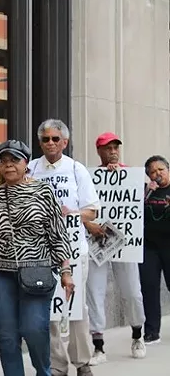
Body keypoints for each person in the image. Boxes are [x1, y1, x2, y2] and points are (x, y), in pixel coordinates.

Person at [0, 140, 73, 376]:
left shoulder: (43, 192)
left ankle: (44, 371)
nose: (9, 165)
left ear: (26, 163)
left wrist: (65, 271)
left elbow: (58, 234)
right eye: (4, 161)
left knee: (34, 329)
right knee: (7, 335)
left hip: (37, 272)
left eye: (15, 160)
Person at [27, 119, 98, 376]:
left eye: (55, 139)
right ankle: (57, 365)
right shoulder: (31, 169)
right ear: (40, 143)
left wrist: (73, 215)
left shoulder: (76, 169)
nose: (50, 143)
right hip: (40, 252)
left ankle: (82, 362)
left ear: (65, 142)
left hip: (74, 250)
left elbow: (91, 211)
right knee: (48, 310)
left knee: (76, 307)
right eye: (46, 139)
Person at [85, 132, 146, 364]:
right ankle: (98, 346)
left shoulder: (129, 173)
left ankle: (137, 334)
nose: (112, 151)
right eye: (107, 148)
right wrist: (90, 224)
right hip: (97, 241)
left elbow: (138, 202)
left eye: (115, 147)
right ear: (98, 151)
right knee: (95, 292)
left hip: (125, 242)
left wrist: (128, 178)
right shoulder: (89, 177)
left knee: (132, 291)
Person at [140, 155, 170, 345]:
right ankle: (151, 331)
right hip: (149, 246)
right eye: (152, 172)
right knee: (149, 287)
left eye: (161, 169)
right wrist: (145, 194)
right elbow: (131, 211)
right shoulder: (145, 191)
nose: (157, 174)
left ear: (168, 169)